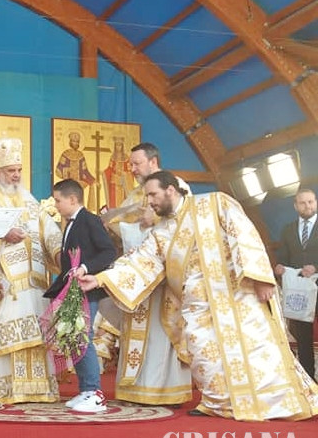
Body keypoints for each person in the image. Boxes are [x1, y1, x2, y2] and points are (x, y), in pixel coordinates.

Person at [79, 171, 318, 421]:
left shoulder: (214, 203)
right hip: (197, 305)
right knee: (204, 352)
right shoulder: (162, 232)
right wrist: (100, 279)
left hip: (236, 295)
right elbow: (140, 261)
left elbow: (244, 233)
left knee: (256, 351)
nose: (149, 202)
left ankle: (276, 403)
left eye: (153, 195)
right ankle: (218, 403)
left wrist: (260, 278)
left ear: (170, 190)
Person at [0, 138, 62, 404]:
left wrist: (60, 253)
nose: (17, 175)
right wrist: (2, 235)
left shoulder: (29, 200)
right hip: (6, 284)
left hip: (34, 282)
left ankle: (38, 389)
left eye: (19, 170)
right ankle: (5, 389)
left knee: (36, 333)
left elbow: (47, 229)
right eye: (11, 171)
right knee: (8, 330)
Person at [101, 142, 192, 406]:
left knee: (161, 334)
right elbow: (130, 235)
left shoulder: (176, 185)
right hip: (138, 274)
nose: (132, 169)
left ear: (153, 162)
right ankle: (138, 389)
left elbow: (184, 222)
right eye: (130, 164)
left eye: (136, 163)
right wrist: (109, 225)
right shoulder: (134, 196)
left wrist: (155, 220)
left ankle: (165, 391)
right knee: (138, 331)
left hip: (163, 276)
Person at [44, 179, 116, 413]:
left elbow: (108, 251)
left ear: (72, 199)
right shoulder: (70, 223)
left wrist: (85, 267)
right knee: (75, 337)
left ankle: (95, 393)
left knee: (83, 336)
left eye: (58, 200)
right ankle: (86, 390)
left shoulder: (89, 220)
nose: (56, 205)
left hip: (86, 289)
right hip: (72, 290)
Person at [275, 188, 318, 380]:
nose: (307, 206)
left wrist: (315, 267)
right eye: (303, 203)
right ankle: (308, 379)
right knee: (303, 337)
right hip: (299, 291)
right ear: (295, 206)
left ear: (316, 202)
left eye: (311, 201)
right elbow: (284, 256)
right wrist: (279, 267)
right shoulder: (288, 229)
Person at [56, 132, 96, 211]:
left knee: (78, 207)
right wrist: (68, 170)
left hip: (78, 186)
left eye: (77, 142)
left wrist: (93, 180)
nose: (75, 143)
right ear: (70, 142)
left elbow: (85, 171)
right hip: (68, 187)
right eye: (74, 141)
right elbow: (58, 170)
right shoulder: (65, 154)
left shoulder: (80, 155)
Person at [101, 136, 135, 209]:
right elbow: (109, 169)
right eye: (117, 145)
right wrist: (103, 172)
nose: (118, 147)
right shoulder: (112, 157)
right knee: (113, 202)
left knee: (123, 202)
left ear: (122, 146)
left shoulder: (126, 158)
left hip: (123, 183)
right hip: (114, 184)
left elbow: (130, 171)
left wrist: (124, 174)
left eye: (120, 145)